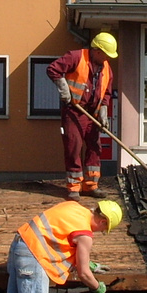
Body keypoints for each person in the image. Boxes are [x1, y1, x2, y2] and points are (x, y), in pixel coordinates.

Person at [46, 32, 117, 199]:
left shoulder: (106, 68)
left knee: (95, 148)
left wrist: (103, 111)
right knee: (73, 147)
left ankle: (91, 185)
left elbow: (106, 93)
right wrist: (64, 88)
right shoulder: (76, 57)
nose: (108, 58)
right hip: (74, 111)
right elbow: (52, 69)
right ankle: (74, 187)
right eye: (106, 54)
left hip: (92, 114)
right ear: (97, 51)